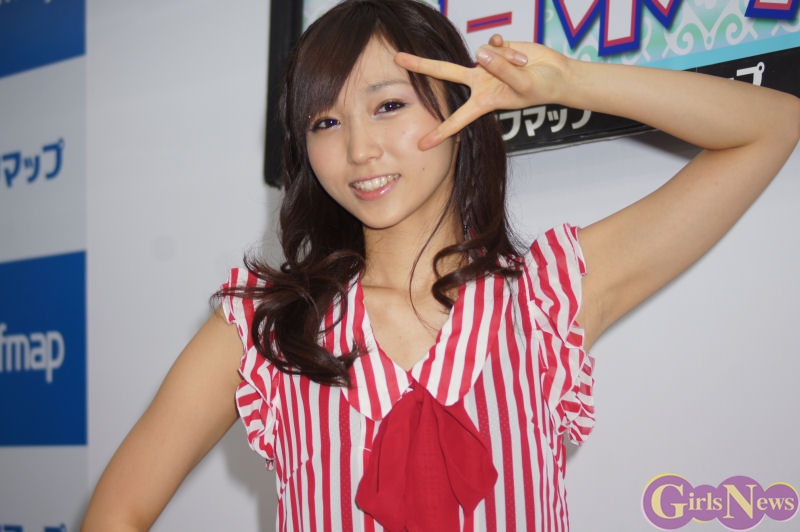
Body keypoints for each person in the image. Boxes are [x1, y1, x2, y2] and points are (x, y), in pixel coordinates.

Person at [81, 0, 800, 530]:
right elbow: (117, 512)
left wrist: (570, 81)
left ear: (460, 110)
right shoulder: (264, 329)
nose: (359, 149)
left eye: (388, 105)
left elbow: (771, 125)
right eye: (325, 121)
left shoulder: (547, 298)